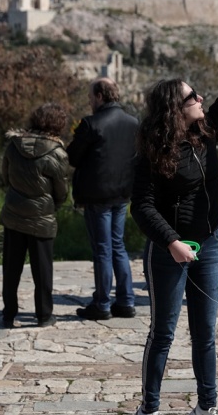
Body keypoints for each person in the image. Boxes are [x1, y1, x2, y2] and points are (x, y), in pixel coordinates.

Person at [130, 6, 218, 415]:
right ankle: (150, 407)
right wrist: (172, 242)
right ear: (174, 109)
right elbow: (141, 206)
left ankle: (207, 406)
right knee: (163, 334)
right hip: (169, 251)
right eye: (192, 97)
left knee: (205, 334)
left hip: (208, 245)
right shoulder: (153, 151)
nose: (200, 99)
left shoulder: (205, 133)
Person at [66, 77, 139, 321]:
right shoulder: (133, 123)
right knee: (118, 246)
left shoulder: (90, 123)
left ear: (99, 96)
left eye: (90, 97)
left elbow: (73, 157)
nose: (89, 101)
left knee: (102, 250)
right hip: (122, 193)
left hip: (97, 195)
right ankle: (126, 301)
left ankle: (102, 303)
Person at [0, 103, 70, 329]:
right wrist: (51, 205)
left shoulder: (14, 145)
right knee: (42, 270)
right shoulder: (57, 152)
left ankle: (9, 314)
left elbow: (5, 177)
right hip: (42, 217)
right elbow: (61, 190)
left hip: (14, 213)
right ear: (58, 125)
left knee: (11, 268)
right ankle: (44, 315)